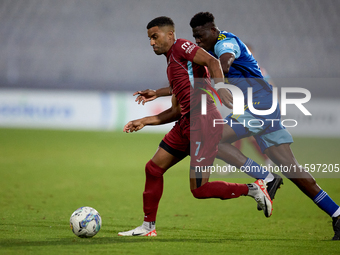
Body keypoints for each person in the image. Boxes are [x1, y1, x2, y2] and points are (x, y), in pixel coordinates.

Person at [189, 12, 340, 240]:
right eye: (194, 37)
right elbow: (191, 77)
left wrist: (213, 73)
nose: (197, 40)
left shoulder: (225, 43)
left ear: (212, 30)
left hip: (260, 106)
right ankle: (337, 213)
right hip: (261, 107)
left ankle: (267, 178)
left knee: (213, 140)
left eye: (200, 35)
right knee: (293, 169)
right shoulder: (208, 52)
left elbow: (226, 62)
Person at [118, 16, 273, 237]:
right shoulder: (172, 65)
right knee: (153, 169)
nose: (151, 42)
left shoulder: (181, 46)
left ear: (170, 34)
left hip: (202, 122)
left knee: (199, 190)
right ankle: (147, 227)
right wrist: (143, 121)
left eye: (155, 37)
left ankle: (254, 188)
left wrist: (220, 88)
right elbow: (175, 111)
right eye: (149, 39)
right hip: (186, 123)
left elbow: (212, 62)